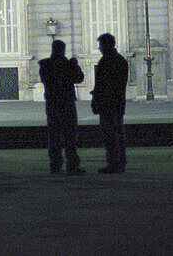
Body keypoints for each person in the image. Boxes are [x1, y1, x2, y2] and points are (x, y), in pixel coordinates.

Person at [39, 39, 85, 174]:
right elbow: (79, 78)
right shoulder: (68, 64)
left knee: (54, 135)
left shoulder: (45, 64)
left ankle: (55, 164)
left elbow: (45, 80)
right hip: (66, 103)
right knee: (70, 135)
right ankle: (72, 164)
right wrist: (74, 66)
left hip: (53, 103)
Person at [90, 33, 128, 173]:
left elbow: (101, 85)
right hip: (118, 102)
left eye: (100, 45)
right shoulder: (120, 60)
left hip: (108, 104)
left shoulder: (105, 62)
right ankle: (120, 162)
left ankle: (114, 162)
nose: (99, 48)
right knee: (118, 133)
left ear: (106, 45)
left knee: (110, 135)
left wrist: (96, 100)